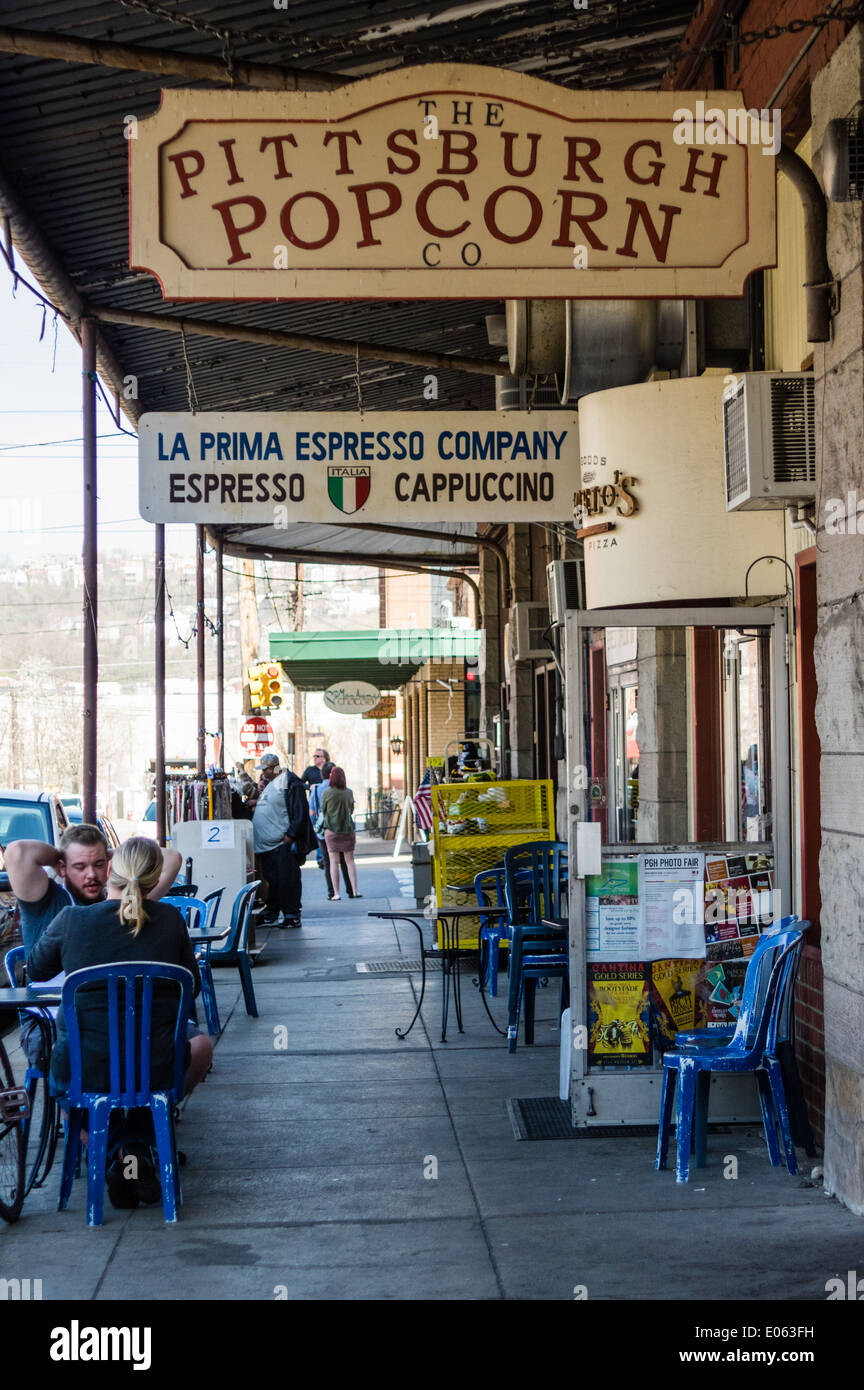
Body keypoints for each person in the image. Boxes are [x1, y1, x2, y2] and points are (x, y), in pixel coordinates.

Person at [27, 837, 211, 1208]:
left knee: (67, 1083)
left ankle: (118, 1151)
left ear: (110, 869)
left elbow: (36, 968)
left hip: (84, 1069)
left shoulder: (72, 920)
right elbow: (188, 988)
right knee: (197, 1050)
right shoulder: (171, 920)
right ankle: (138, 1145)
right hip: (155, 1066)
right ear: (156, 877)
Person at [6, 824, 181, 1068]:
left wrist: (114, 855)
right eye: (80, 866)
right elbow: (17, 852)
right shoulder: (47, 898)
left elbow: (172, 858)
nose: (91, 874)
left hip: (113, 1018)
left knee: (180, 1044)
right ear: (62, 868)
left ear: (110, 865)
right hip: (48, 1022)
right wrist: (62, 854)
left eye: (99, 864)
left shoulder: (125, 901)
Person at [252, 765, 317, 928]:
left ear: (273, 768)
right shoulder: (274, 784)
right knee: (274, 880)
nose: (263, 773)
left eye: (265, 769)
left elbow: (299, 811)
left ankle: (291, 914)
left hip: (282, 844)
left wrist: (291, 835)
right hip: (271, 845)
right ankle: (274, 911)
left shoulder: (290, 783)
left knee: (287, 879)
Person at [310, 762, 351, 901]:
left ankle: (332, 892)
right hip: (343, 828)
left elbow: (312, 811)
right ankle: (351, 890)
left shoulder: (316, 790)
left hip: (324, 830)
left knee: (328, 862)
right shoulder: (344, 789)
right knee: (345, 861)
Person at [321, 767, 360, 900]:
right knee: (350, 861)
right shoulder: (349, 792)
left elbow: (323, 810)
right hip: (347, 830)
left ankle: (336, 893)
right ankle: (355, 890)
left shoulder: (327, 793)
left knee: (334, 862)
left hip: (331, 831)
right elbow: (352, 809)